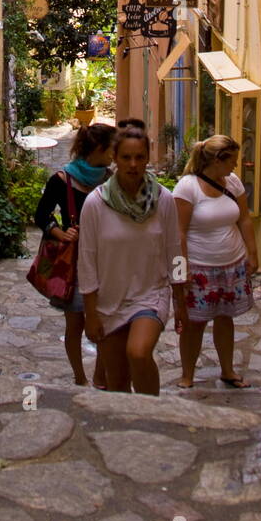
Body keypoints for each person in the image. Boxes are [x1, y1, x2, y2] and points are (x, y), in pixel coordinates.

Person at [78, 125, 187, 395]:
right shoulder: (96, 203)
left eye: (139, 157)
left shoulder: (163, 200)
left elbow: (175, 251)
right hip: (108, 301)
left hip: (151, 293)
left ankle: (153, 413)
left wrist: (180, 300)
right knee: (116, 381)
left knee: (138, 353)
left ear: (147, 158)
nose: (133, 164)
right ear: (115, 158)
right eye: (126, 157)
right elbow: (87, 261)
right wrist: (90, 314)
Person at [173, 134, 259, 389]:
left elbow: (243, 219)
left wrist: (252, 254)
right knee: (194, 323)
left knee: (225, 318)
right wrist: (182, 269)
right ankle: (187, 374)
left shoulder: (232, 182)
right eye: (231, 160)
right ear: (217, 161)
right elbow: (179, 231)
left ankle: (228, 370)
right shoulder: (187, 188)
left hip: (231, 264)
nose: (235, 166)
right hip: (200, 267)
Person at [34, 122, 115, 387]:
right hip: (75, 264)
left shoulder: (109, 178)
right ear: (99, 149)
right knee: (75, 324)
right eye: (111, 148)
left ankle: (99, 375)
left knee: (105, 323)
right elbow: (41, 215)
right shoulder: (62, 179)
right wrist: (61, 234)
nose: (114, 154)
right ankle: (79, 377)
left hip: (105, 260)